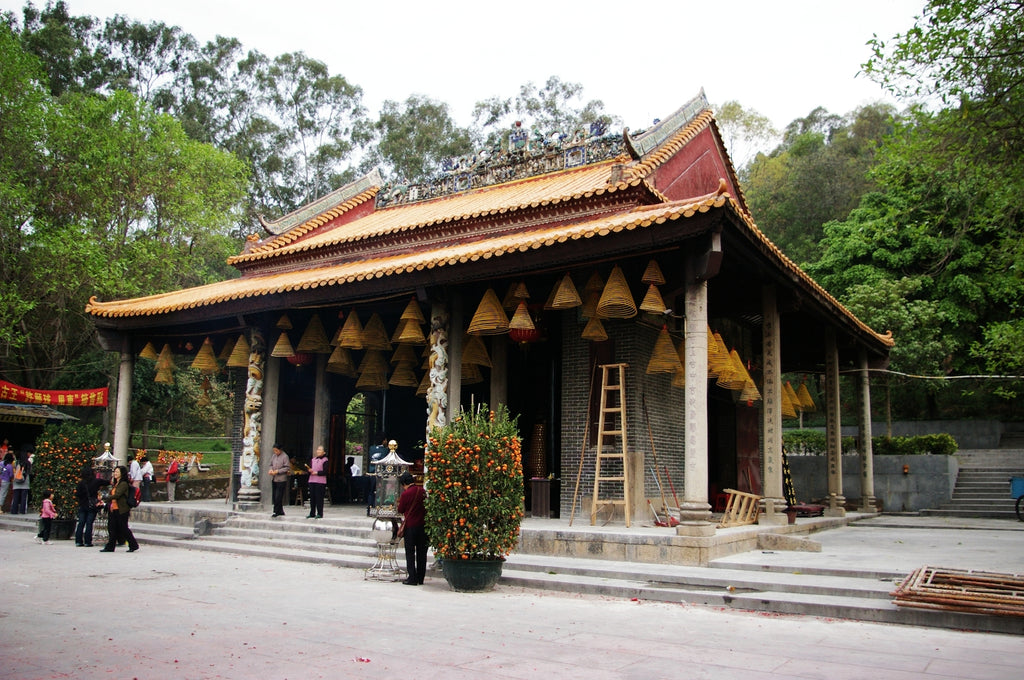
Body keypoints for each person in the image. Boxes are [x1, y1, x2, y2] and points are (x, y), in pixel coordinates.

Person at [396, 471, 427, 586]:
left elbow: (400, 509)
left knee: (410, 552)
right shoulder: (422, 491)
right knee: (421, 553)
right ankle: (420, 577)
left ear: (404, 483)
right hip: (423, 526)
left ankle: (412, 577)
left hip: (410, 527)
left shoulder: (406, 494)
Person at [100, 465, 139, 553]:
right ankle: (110, 546)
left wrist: (106, 497)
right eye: (115, 472)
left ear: (122, 474)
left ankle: (133, 544)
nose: (115, 474)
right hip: (114, 508)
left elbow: (117, 495)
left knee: (123, 528)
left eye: (117, 472)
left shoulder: (123, 484)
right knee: (112, 528)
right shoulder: (116, 483)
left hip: (122, 509)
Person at [75, 466, 107, 547]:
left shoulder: (81, 483)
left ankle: (78, 541)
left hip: (82, 505)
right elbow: (107, 482)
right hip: (92, 505)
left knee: (81, 523)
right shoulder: (96, 481)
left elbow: (77, 494)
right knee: (89, 523)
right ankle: (87, 541)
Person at [306, 445, 327, 519]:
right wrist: (309, 470)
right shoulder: (313, 459)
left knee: (319, 498)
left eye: (320, 450)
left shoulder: (325, 460)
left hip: (320, 482)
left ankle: (320, 513)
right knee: (312, 498)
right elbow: (310, 469)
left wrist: (317, 473)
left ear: (324, 452)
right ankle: (312, 513)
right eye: (318, 449)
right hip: (312, 480)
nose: (318, 451)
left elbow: (325, 471)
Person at [268, 443, 290, 517]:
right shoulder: (274, 456)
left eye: (276, 450)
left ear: (280, 450)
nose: (275, 452)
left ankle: (276, 511)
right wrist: (271, 470)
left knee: (278, 496)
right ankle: (280, 510)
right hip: (274, 478)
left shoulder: (285, 456)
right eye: (274, 451)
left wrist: (278, 471)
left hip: (281, 479)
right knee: (275, 495)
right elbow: (271, 464)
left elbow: (287, 467)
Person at [10, 450, 31, 515]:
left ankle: (14, 511)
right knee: (24, 497)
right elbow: (30, 472)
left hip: (16, 481)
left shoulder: (16, 462)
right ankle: (22, 511)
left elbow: (13, 470)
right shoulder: (28, 463)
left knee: (15, 497)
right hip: (25, 482)